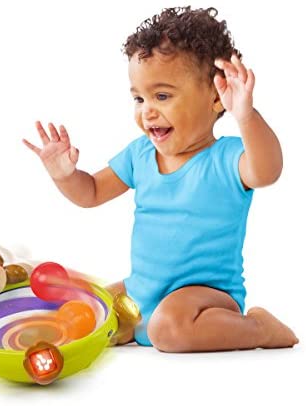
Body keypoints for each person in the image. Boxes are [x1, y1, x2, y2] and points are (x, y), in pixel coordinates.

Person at [23, 7, 299, 352]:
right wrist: (64, 175)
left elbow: (267, 171)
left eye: (162, 96)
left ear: (216, 97)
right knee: (85, 310)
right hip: (140, 291)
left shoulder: (227, 157)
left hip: (204, 299)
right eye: (139, 98)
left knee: (168, 327)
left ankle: (259, 329)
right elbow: (90, 192)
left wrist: (246, 116)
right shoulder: (140, 154)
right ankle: (132, 324)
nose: (147, 110)